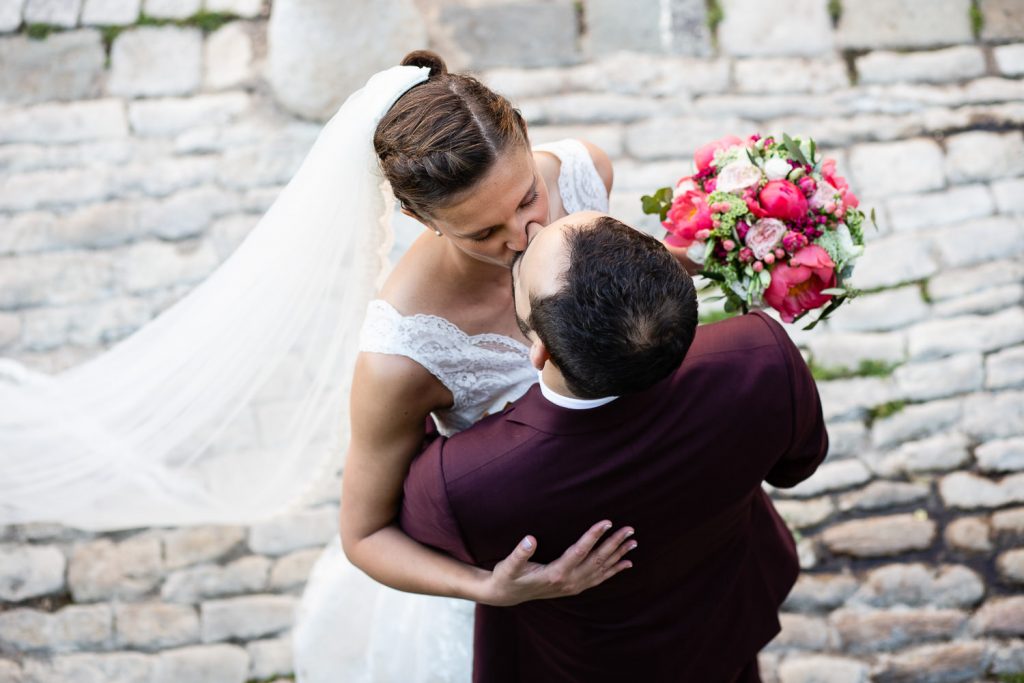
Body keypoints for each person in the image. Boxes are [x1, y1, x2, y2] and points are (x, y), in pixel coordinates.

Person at [293, 51, 636, 682]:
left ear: (528, 141)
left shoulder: (586, 175)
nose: (526, 234)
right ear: (419, 220)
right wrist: (488, 589)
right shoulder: (403, 352)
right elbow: (365, 535)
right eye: (483, 233)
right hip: (527, 573)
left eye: (528, 196)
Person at [401, 211, 829, 682]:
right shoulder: (763, 356)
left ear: (540, 349)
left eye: (521, 268)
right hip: (721, 620)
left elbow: (405, 535)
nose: (529, 231)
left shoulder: (463, 480)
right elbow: (796, 467)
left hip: (586, 664)